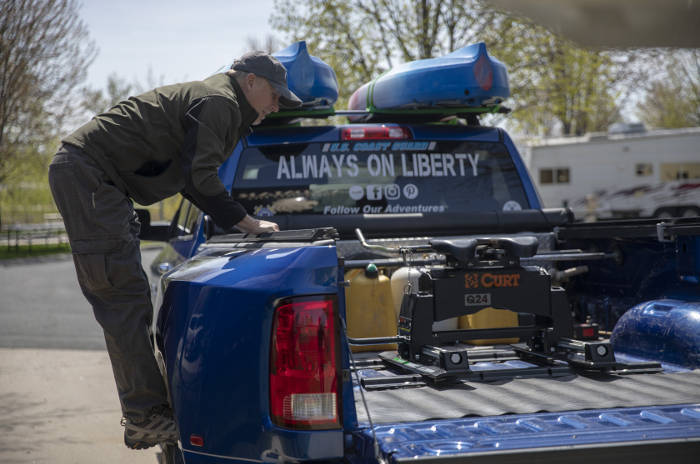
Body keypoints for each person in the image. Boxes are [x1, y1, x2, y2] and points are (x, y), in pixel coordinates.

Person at [48, 52, 301, 449]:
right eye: (274, 94)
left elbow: (191, 177)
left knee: (126, 296)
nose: (276, 105)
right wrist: (247, 223)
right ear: (249, 81)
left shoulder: (226, 106)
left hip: (98, 180)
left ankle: (147, 411)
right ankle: (145, 417)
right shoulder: (220, 101)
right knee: (122, 296)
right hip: (88, 176)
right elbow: (199, 180)